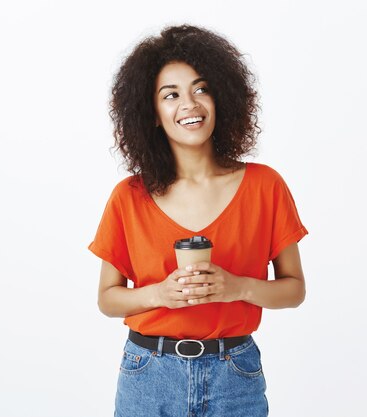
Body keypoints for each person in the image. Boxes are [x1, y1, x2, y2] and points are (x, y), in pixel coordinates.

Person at [88, 24, 308, 417]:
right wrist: (160, 295)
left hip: (235, 374)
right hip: (147, 375)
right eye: (170, 95)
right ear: (152, 114)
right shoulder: (129, 197)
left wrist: (237, 287)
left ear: (221, 97)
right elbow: (108, 298)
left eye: (201, 89)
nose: (189, 103)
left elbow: (293, 290)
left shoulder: (264, 186)